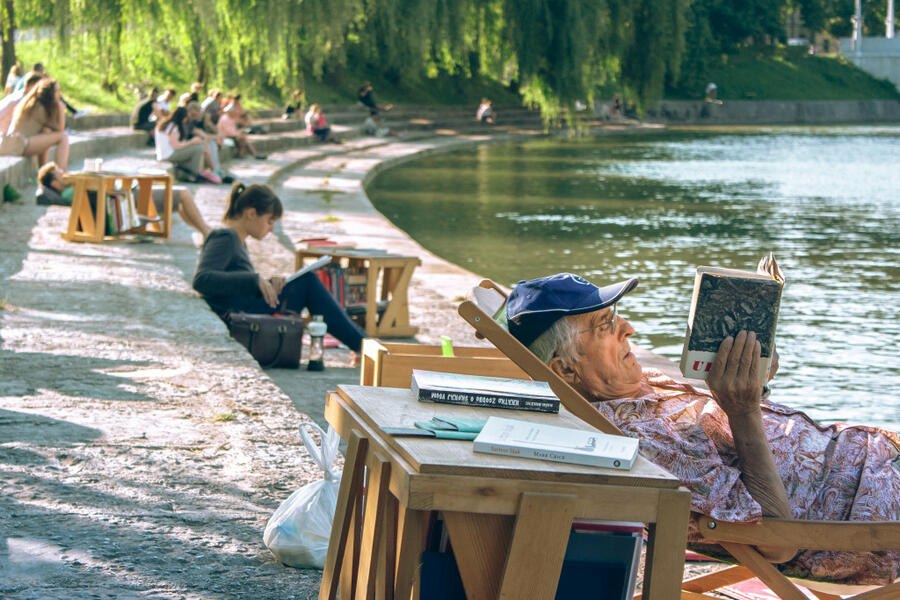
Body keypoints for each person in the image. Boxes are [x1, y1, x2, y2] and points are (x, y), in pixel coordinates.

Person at [502, 272, 900, 586]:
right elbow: (778, 542)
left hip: (877, 451)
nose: (629, 329)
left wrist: (754, 386)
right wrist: (744, 410)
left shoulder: (641, 386)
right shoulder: (643, 443)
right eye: (605, 324)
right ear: (565, 369)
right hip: (879, 507)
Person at [192, 182, 365, 354]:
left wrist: (267, 284)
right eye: (269, 221)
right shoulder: (225, 237)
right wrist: (255, 280)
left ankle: (362, 343)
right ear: (251, 213)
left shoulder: (237, 241)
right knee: (307, 283)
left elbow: (235, 283)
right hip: (237, 315)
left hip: (243, 308)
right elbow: (202, 279)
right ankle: (363, 345)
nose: (271, 229)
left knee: (303, 282)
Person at [36, 161, 211, 237]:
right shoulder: (71, 190)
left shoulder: (74, 187)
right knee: (183, 194)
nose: (64, 172)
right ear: (54, 183)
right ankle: (206, 231)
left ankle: (204, 230)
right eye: (59, 172)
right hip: (126, 199)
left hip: (125, 196)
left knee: (178, 201)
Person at [4, 78, 69, 171]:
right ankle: (61, 175)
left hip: (15, 143)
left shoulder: (33, 104)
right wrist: (61, 109)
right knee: (63, 136)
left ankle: (43, 170)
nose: (60, 94)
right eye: (57, 91)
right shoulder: (40, 109)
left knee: (46, 131)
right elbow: (60, 130)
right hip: (18, 144)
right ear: (49, 94)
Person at [155, 105, 220, 183]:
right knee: (199, 148)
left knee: (198, 146)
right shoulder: (172, 127)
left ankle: (195, 172)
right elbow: (176, 146)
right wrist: (191, 142)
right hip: (168, 155)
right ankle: (193, 175)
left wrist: (191, 142)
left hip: (165, 154)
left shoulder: (166, 124)